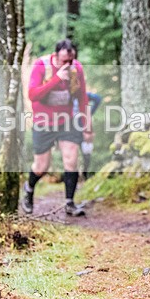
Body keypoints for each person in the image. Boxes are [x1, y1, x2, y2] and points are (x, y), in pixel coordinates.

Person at [22, 39, 94, 216]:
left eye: (70, 60)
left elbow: (82, 98)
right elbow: (32, 95)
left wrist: (87, 125)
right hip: (43, 121)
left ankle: (70, 203)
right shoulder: (42, 65)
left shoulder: (76, 68)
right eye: (63, 61)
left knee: (71, 160)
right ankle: (29, 190)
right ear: (56, 56)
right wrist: (57, 79)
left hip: (67, 120)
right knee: (41, 166)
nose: (67, 64)